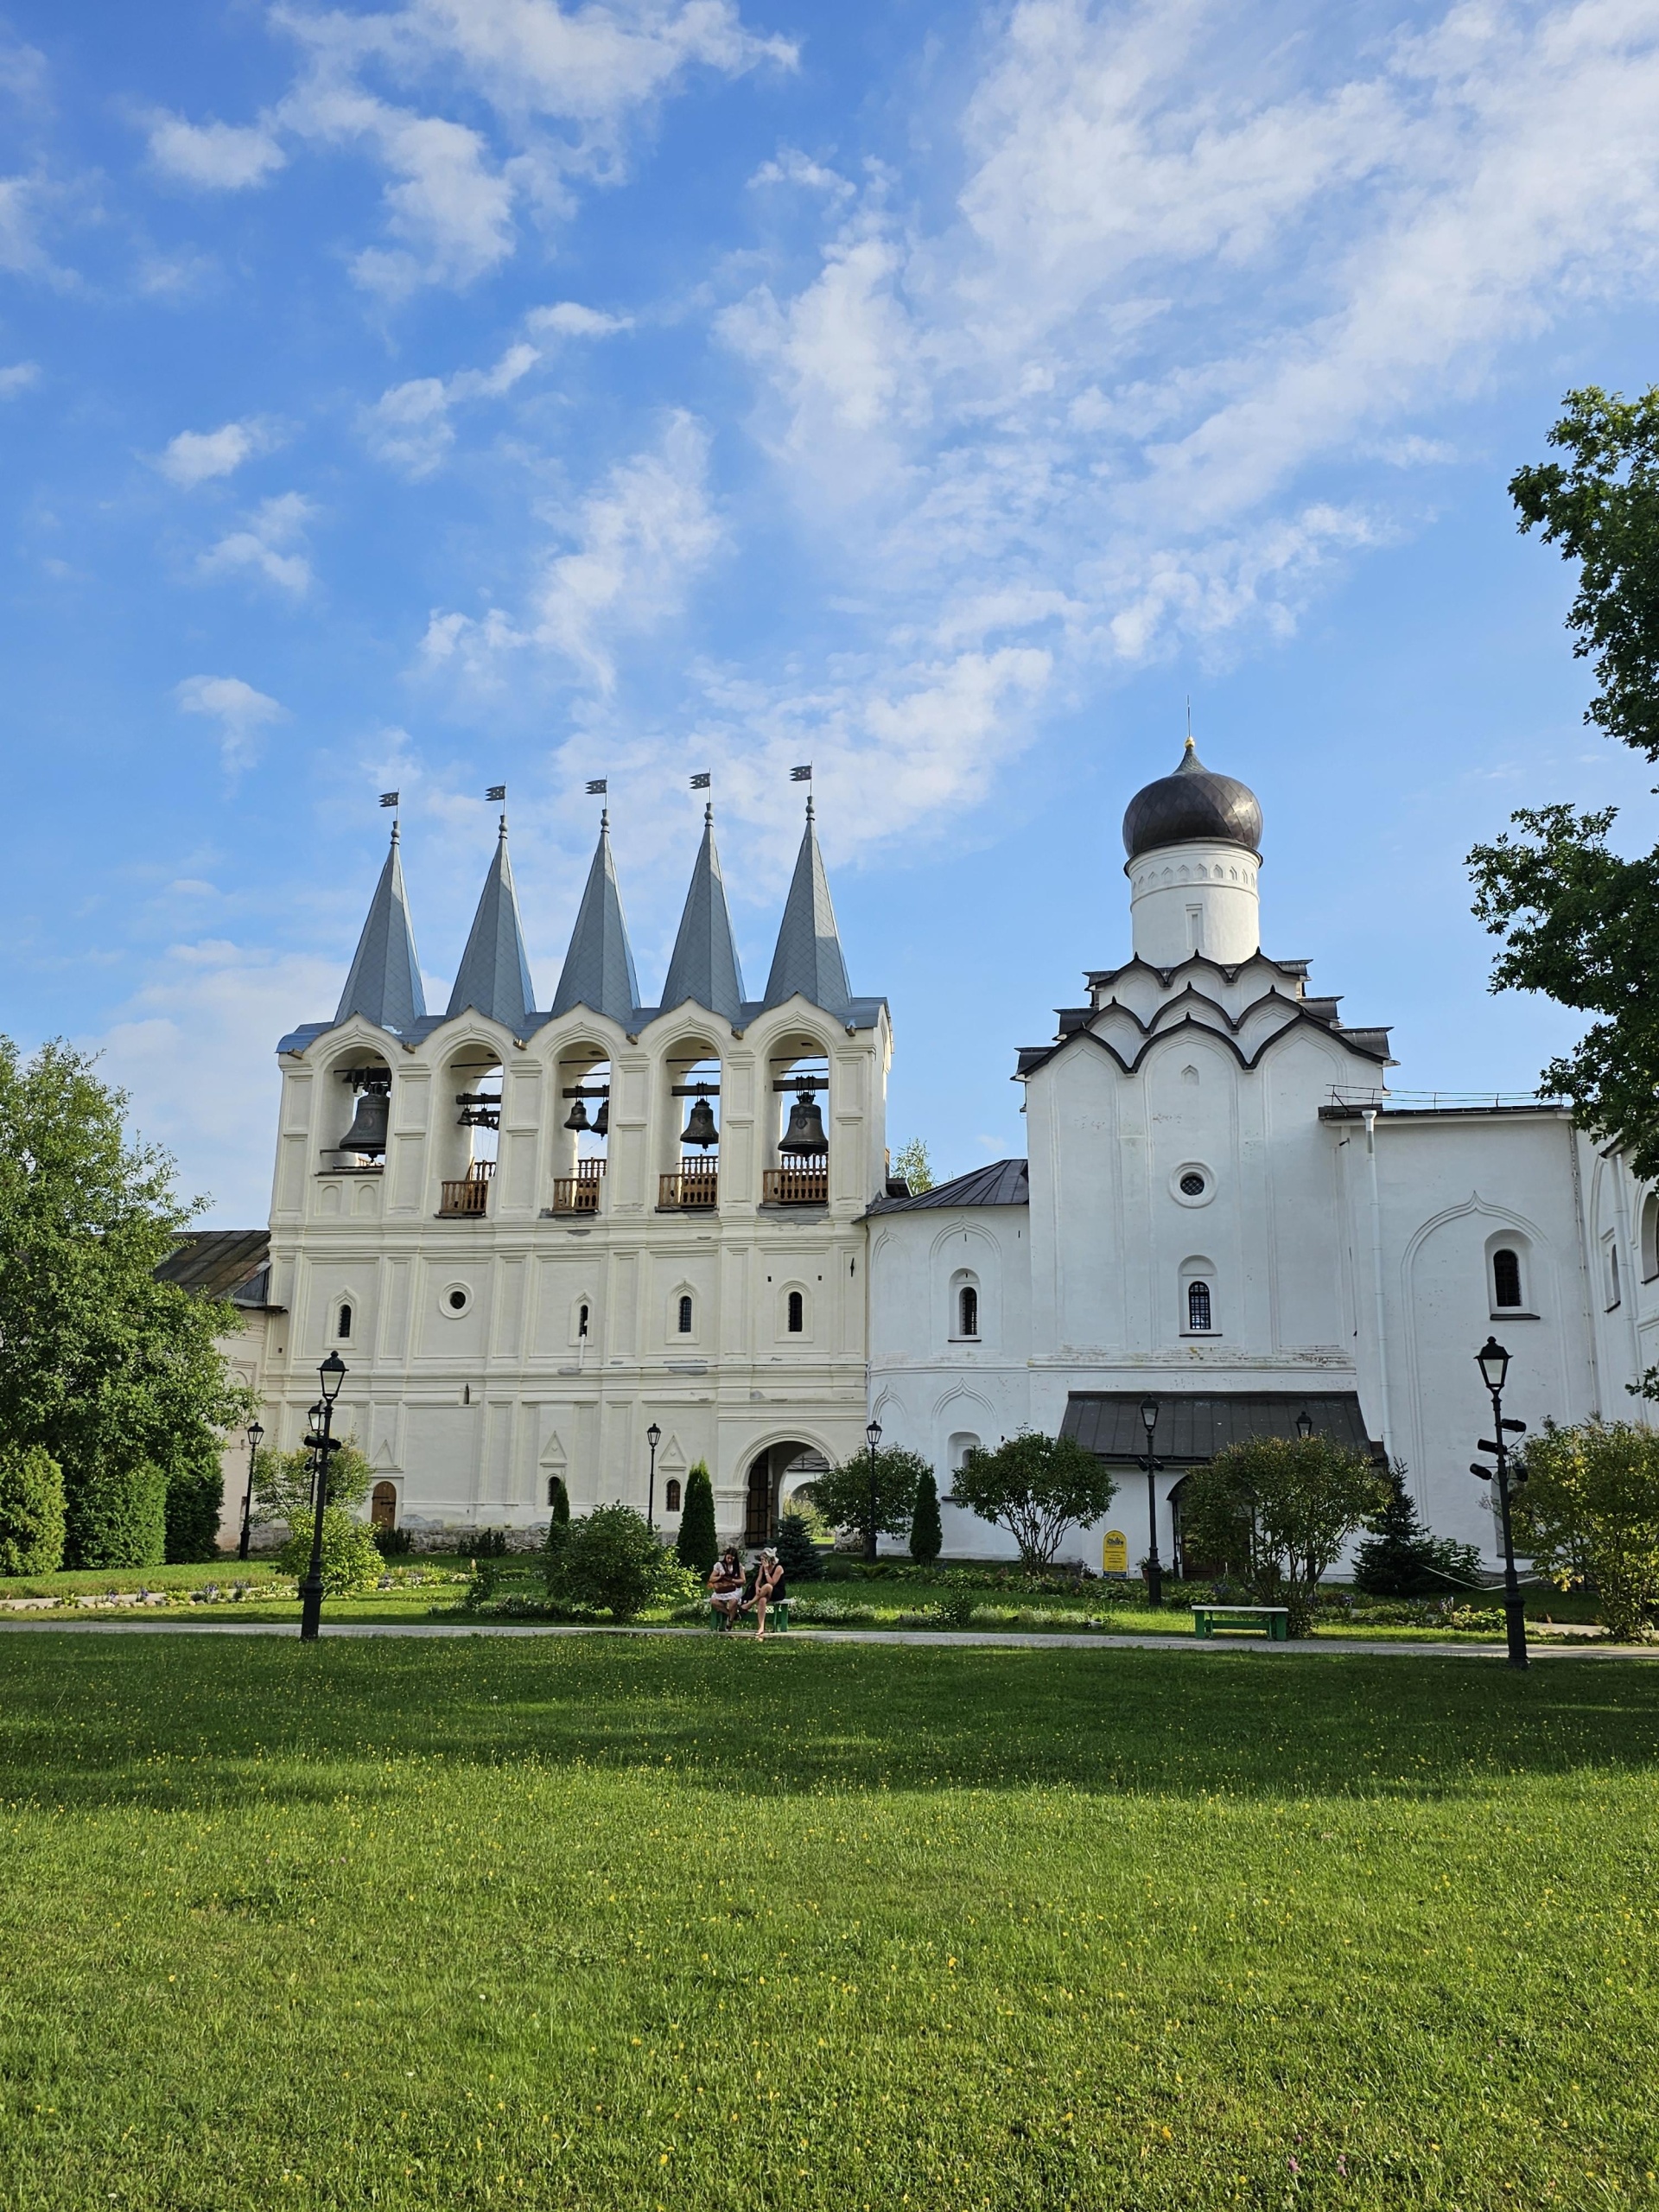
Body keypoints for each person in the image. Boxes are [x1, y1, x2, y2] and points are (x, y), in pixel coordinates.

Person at [750, 1545, 786, 1639]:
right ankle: (761, 1627)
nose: (762, 1562)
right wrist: (757, 1587)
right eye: (761, 1560)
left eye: (764, 1560)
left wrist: (766, 1570)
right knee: (762, 1601)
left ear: (769, 1559)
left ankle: (750, 1603)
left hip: (777, 1592)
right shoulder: (762, 1567)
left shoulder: (778, 1568)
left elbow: (772, 1583)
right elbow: (758, 1580)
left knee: (767, 1586)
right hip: (766, 1592)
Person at [708, 1547, 745, 1630]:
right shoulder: (719, 1565)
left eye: (732, 1558)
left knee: (733, 1602)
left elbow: (743, 1580)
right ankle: (732, 1615)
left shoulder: (738, 1566)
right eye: (728, 1558)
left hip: (734, 1589)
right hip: (722, 1588)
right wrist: (720, 1577)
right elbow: (711, 1579)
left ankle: (730, 1621)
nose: (729, 1560)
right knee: (713, 1601)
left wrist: (733, 1580)